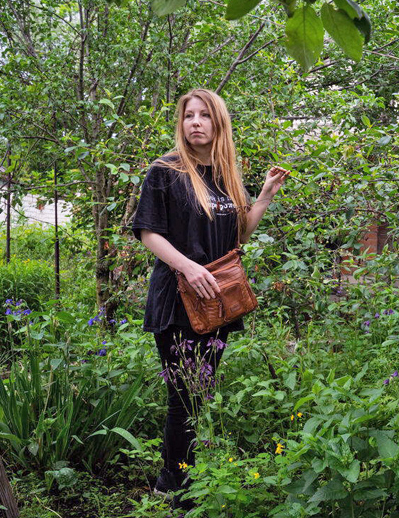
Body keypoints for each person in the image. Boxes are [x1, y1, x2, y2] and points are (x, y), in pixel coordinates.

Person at [132, 88, 288, 506]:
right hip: (177, 298)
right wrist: (188, 265)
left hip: (216, 301)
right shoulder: (165, 172)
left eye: (204, 116)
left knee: (202, 392)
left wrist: (265, 196)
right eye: (188, 116)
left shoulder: (223, 175)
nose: (195, 122)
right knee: (184, 395)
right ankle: (174, 489)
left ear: (219, 124)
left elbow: (238, 235)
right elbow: (149, 232)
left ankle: (188, 480)